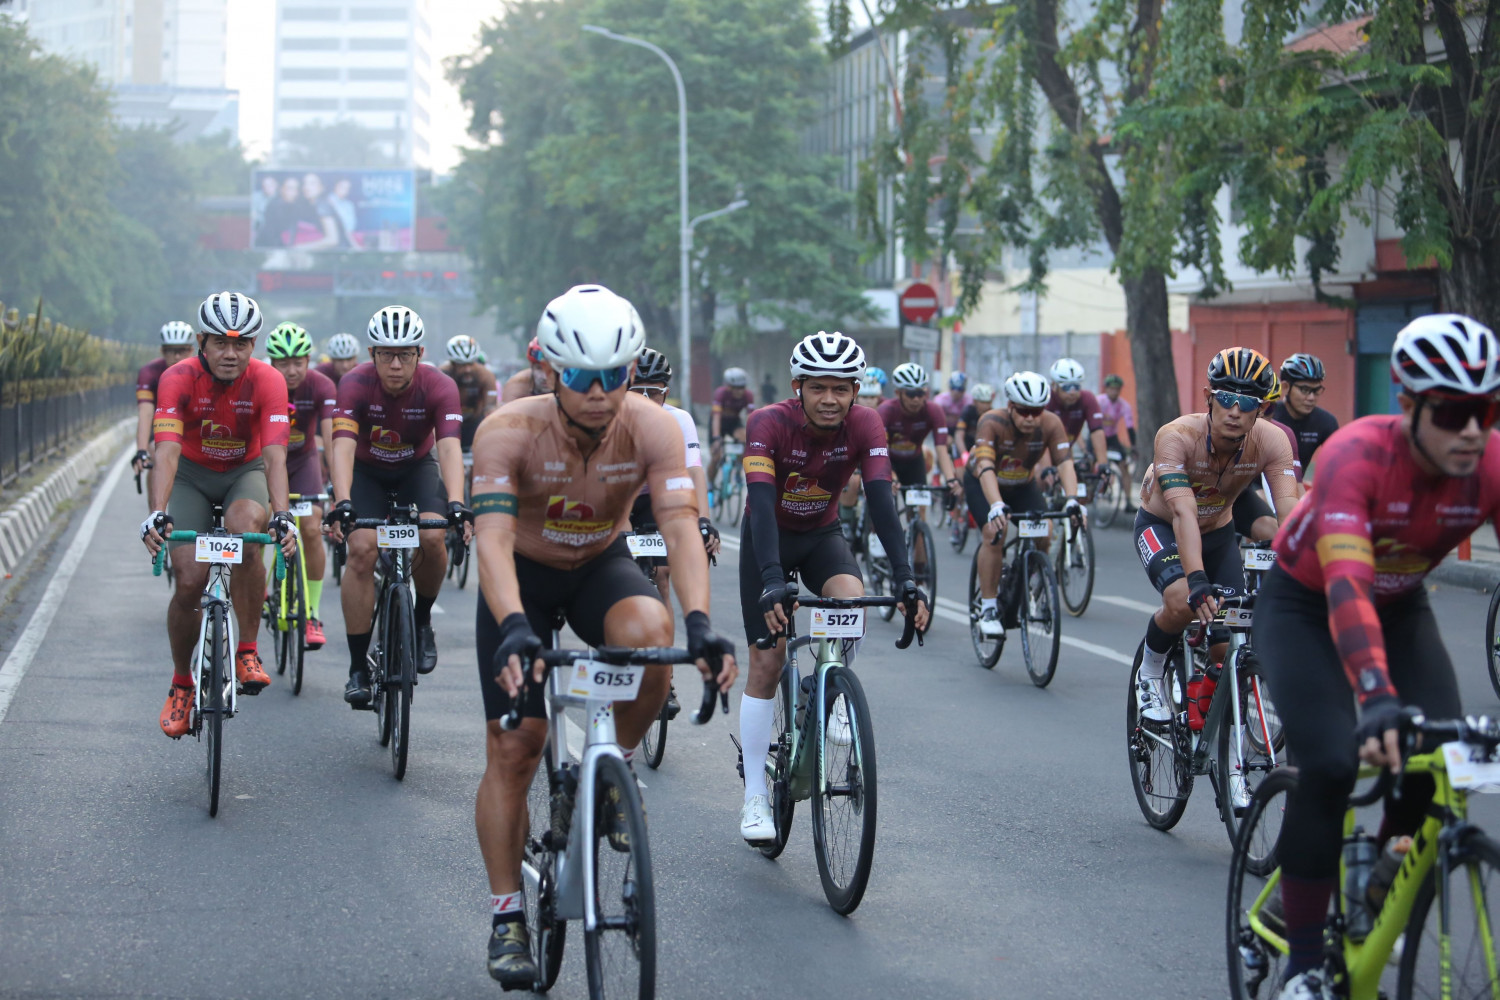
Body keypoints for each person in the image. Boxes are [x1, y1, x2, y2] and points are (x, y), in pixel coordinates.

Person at [468, 284, 738, 986]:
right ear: (549, 369)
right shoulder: (507, 429)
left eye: (614, 375)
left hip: (597, 565)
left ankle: (613, 763)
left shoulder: (652, 426)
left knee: (652, 630)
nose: (599, 393)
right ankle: (506, 916)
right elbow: (491, 539)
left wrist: (701, 623)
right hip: (522, 575)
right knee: (516, 745)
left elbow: (679, 526)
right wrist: (514, 627)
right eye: (581, 377)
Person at [1254, 315, 1500, 1000]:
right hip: (1306, 604)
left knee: (1439, 759)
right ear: (1409, 403)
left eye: (1486, 411)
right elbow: (1346, 584)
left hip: (1400, 606)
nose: (1472, 431)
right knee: (1334, 763)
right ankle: (1304, 968)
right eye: (1451, 412)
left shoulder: (1490, 465)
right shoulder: (1355, 455)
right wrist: (1377, 695)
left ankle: (1378, 874)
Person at [738, 330, 930, 842]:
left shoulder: (866, 423)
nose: (830, 399)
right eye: (818, 387)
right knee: (767, 662)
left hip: (821, 535)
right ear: (797, 387)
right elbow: (761, 505)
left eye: (841, 388)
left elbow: (881, 500)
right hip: (768, 539)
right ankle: (755, 795)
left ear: (855, 391)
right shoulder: (767, 423)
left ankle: (828, 687)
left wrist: (906, 579)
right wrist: (772, 579)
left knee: (851, 598)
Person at [139, 292, 298, 738]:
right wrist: (157, 513)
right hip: (191, 475)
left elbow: (275, 457)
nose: (231, 353)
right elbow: (166, 452)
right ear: (201, 343)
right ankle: (181, 682)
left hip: (245, 472)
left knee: (247, 531)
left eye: (241, 344)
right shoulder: (176, 378)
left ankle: (247, 648)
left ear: (253, 345)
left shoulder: (268, 380)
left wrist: (282, 515)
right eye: (221, 343)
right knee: (190, 578)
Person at [1131, 347, 1297, 740]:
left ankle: (1202, 703)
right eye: (1225, 398)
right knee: (1181, 600)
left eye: (1247, 402)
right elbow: (1184, 512)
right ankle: (1150, 673)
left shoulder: (1273, 441)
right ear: (1208, 397)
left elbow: (1290, 510)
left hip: (1219, 532)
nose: (1235, 410)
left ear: (1261, 409)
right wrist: (1197, 578)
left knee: (1228, 643)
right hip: (1163, 525)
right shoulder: (1176, 436)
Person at [322, 306, 474, 705]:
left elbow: (449, 448)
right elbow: (342, 447)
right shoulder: (355, 383)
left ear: (420, 353)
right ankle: (358, 666)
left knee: (433, 538)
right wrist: (343, 501)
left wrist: (457, 503)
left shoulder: (439, 386)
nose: (395, 364)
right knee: (361, 550)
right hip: (367, 473)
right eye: (386, 354)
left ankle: (421, 621)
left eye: (404, 355)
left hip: (415, 470)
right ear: (371, 353)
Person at [965, 372, 1085, 638]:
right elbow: (985, 466)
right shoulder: (991, 421)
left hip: (1022, 485)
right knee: (995, 532)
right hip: (984, 482)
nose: (1030, 418)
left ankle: (1030, 577)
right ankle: (988, 609)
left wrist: (1072, 499)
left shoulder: (1051, 423)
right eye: (1023, 411)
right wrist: (996, 504)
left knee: (1046, 530)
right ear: (1010, 406)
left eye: (1036, 411)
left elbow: (1065, 462)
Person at [627, 346, 718, 611]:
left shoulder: (680, 419)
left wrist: (704, 520)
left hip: (656, 498)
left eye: (654, 393)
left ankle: (663, 634)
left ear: (666, 392)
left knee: (661, 575)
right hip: (619, 499)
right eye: (637, 391)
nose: (646, 400)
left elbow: (694, 470)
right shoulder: (611, 416)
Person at [265, 322, 337, 649]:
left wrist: (337, 484)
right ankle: (262, 590)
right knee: (257, 522)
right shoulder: (260, 382)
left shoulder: (322, 386)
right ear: (272, 362)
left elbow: (332, 439)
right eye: (283, 363)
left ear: (309, 360)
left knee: (310, 527)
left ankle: (312, 613)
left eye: (298, 362)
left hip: (303, 460)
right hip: (267, 460)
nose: (291, 370)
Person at [879, 363, 962, 574]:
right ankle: (880, 548)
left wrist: (951, 479)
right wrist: (892, 476)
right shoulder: (887, 411)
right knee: (886, 509)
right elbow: (880, 452)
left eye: (921, 393)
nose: (917, 399)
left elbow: (941, 448)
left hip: (914, 463)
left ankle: (920, 569)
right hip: (888, 460)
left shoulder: (933, 410)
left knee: (919, 514)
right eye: (911, 394)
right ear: (898, 393)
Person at [132, 321, 196, 509]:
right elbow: (145, 413)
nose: (177, 357)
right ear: (162, 351)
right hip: (164, 425)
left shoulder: (202, 370)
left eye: (182, 351)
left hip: (194, 426)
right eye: (171, 351)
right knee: (155, 452)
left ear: (192, 350)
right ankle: (155, 513)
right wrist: (141, 450)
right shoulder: (149, 373)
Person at [1273, 352, 1340, 486]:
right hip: (1257, 486)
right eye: (1304, 390)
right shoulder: (1269, 415)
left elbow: (1338, 465)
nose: (1311, 397)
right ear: (1285, 387)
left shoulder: (1326, 422)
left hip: (1295, 487)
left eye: (1316, 390)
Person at [1044, 359, 1109, 482]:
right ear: (1054, 386)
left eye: (1076, 386)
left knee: (1076, 480)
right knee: (1044, 478)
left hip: (1066, 449)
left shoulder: (1087, 398)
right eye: (1066, 387)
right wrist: (1047, 469)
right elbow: (1040, 439)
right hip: (1042, 448)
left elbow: (1097, 431)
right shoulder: (1047, 400)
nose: (1072, 392)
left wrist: (1103, 464)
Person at [440, 334, 498, 452]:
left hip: (475, 424)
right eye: (462, 365)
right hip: (448, 425)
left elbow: (491, 409)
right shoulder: (442, 374)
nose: (468, 369)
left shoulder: (485, 376)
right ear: (453, 363)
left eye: (471, 363)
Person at [707, 366, 755, 487]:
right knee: (716, 456)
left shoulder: (748, 395)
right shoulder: (720, 393)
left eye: (742, 387)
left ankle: (738, 470)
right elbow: (716, 417)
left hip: (734, 422)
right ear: (729, 387)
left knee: (745, 440)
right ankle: (710, 483)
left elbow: (751, 418)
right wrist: (716, 437)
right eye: (736, 388)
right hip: (718, 423)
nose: (740, 391)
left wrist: (752, 436)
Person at [1098, 374, 1137, 506]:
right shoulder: (1099, 401)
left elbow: (1129, 426)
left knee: (1124, 467)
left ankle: (1128, 501)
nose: (1114, 392)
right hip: (1097, 435)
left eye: (1117, 389)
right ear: (1106, 389)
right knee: (1091, 463)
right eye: (1111, 389)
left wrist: (1133, 446)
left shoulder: (1124, 405)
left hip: (1112, 437)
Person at [499, 336, 553, 403]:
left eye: (551, 369)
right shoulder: (517, 385)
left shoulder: (565, 385)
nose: (544, 377)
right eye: (539, 368)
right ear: (531, 367)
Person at [957, 382, 995, 452]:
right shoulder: (967, 411)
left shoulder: (994, 415)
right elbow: (959, 434)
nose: (985, 406)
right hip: (966, 448)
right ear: (974, 401)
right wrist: (964, 453)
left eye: (988, 402)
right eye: (982, 402)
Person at [934, 371, 972, 440]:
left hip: (963, 429)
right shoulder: (940, 400)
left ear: (964, 390)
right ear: (949, 388)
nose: (956, 393)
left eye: (960, 390)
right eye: (953, 389)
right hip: (944, 427)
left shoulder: (969, 400)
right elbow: (935, 420)